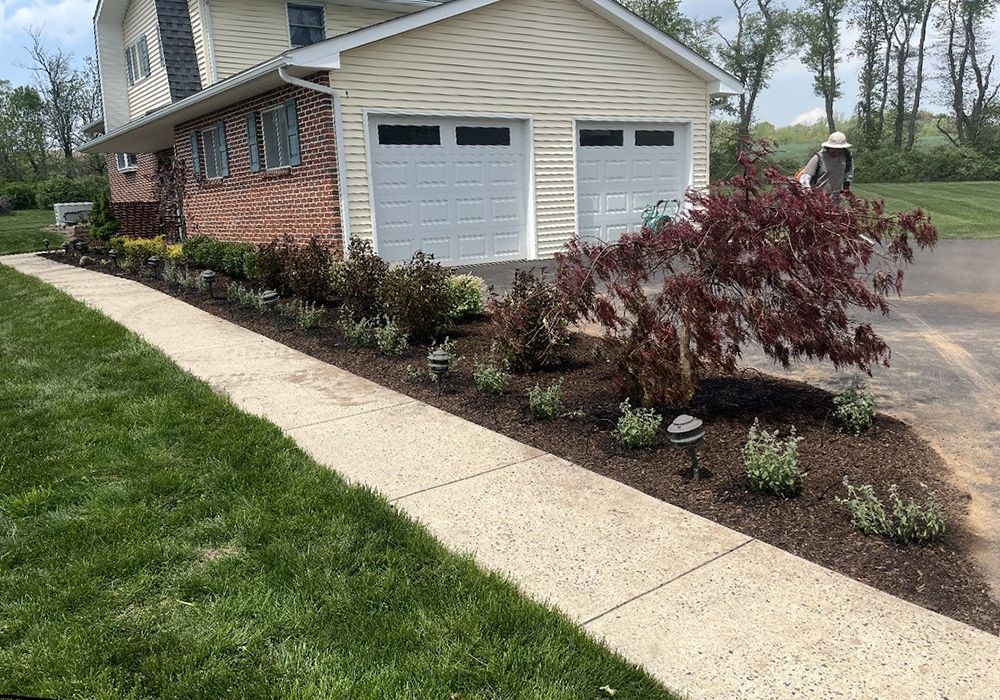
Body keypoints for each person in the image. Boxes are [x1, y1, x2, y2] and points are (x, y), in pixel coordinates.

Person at [798, 131, 854, 198]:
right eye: (833, 148)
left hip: (835, 200)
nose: (836, 151)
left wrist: (846, 188)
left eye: (838, 149)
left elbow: (848, 174)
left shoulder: (846, 157)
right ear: (828, 147)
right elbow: (805, 178)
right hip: (818, 199)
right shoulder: (819, 157)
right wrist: (809, 194)